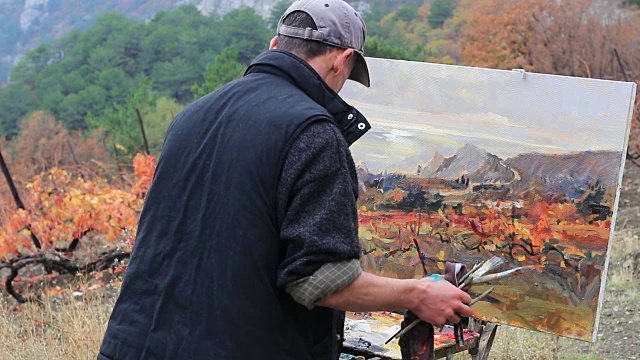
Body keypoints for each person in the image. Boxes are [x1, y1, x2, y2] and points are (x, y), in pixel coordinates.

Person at [98, 1, 473, 359]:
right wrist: (417, 294)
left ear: (275, 45)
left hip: (132, 346)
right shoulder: (312, 132)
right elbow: (319, 278)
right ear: (343, 61)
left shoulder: (191, 117)